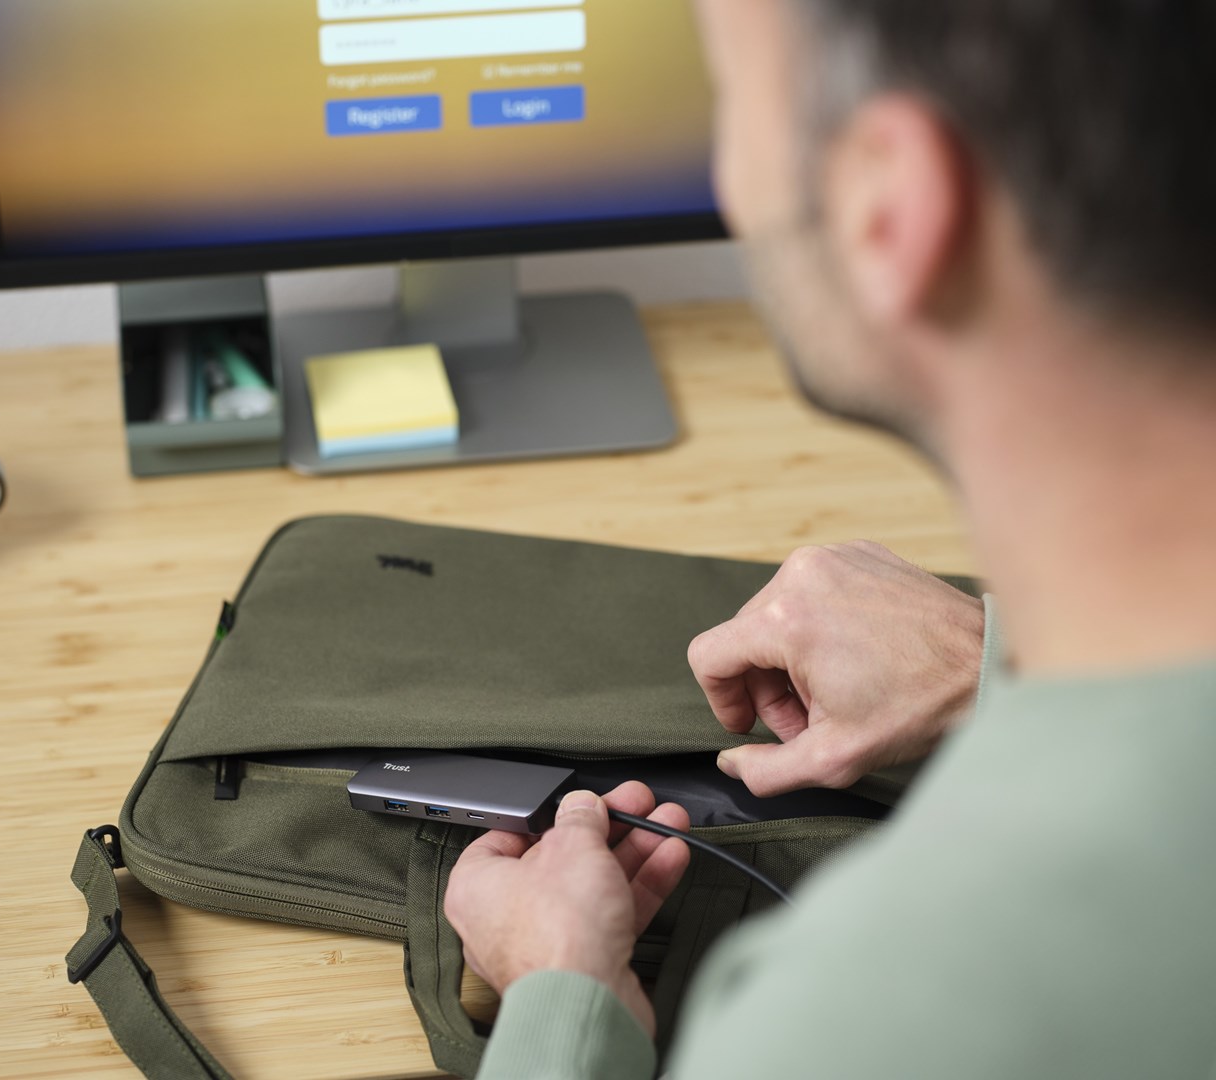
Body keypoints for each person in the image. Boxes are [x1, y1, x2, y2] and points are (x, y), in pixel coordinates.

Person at [443, 1, 1216, 1076]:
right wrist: (983, 659)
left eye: (731, 100)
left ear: (890, 207)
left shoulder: (869, 1013)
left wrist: (557, 995)